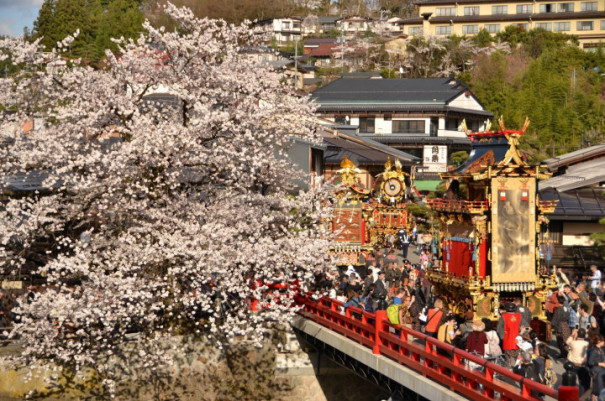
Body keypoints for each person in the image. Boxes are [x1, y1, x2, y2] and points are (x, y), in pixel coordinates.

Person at [566, 328, 590, 397]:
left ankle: (570, 395)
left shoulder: (573, 343)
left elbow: (567, 342)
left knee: (571, 381)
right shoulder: (587, 344)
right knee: (582, 383)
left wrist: (572, 334)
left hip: (572, 364)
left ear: (578, 334)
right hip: (582, 365)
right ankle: (581, 397)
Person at [498, 302, 522, 367]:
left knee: (508, 357)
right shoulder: (519, 316)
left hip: (507, 339)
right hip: (518, 340)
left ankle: (509, 368)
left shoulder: (503, 316)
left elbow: (499, 328)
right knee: (518, 356)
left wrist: (502, 337)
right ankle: (518, 368)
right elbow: (523, 326)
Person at [551, 295, 571, 359]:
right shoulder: (566, 308)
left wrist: (552, 326)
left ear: (558, 302)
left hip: (560, 326)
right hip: (566, 325)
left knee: (560, 341)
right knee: (565, 340)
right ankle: (566, 353)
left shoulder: (559, 309)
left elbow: (556, 319)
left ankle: (563, 353)